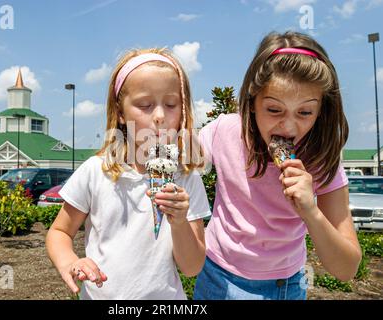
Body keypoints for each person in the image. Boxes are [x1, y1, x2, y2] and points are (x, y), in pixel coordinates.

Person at [193, 31, 362, 300]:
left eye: (305, 112)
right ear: (252, 103)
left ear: (321, 112)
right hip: (217, 277)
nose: (288, 126)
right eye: (274, 110)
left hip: (286, 287)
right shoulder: (224, 131)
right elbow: (181, 160)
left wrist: (311, 212)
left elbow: (346, 268)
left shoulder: (321, 158)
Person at [45, 48, 211, 300]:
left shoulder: (186, 177)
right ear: (120, 113)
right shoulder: (96, 171)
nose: (159, 116)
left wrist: (179, 222)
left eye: (171, 104)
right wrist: (70, 261)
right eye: (145, 105)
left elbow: (191, 267)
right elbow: (60, 232)